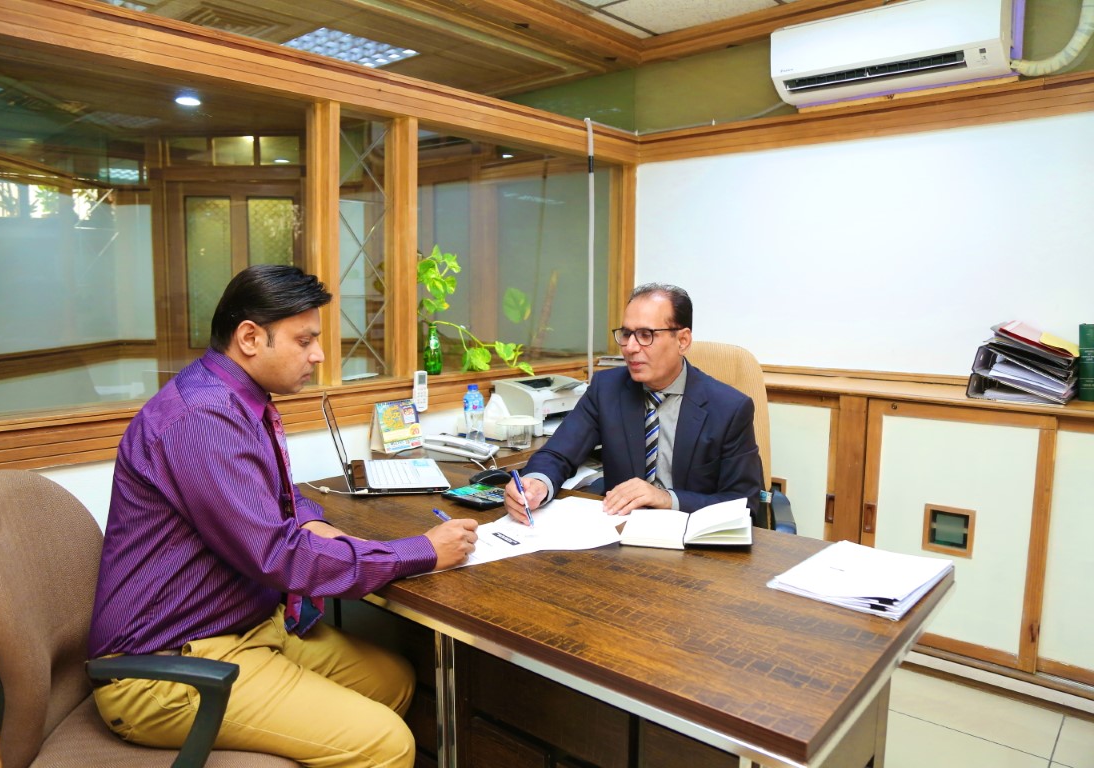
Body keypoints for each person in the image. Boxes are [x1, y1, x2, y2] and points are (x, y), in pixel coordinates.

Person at [89, 264, 478, 767]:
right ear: (250, 338)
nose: (318, 355)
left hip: (245, 626)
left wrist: (309, 518)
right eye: (305, 340)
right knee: (387, 744)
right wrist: (421, 550)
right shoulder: (204, 418)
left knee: (394, 681)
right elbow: (278, 556)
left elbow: (266, 493)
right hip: (168, 664)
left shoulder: (229, 397)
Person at [505, 282, 763, 524]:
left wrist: (666, 499)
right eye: (627, 334)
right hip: (619, 532)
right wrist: (536, 484)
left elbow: (744, 504)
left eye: (645, 335)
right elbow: (558, 453)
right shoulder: (606, 389)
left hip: (691, 538)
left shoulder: (729, 408)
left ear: (682, 341)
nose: (630, 347)